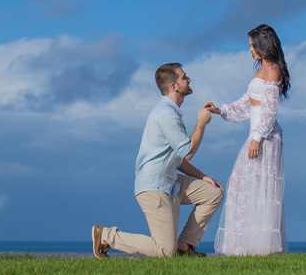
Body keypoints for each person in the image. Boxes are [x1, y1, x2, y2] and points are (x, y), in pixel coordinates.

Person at [92, 62, 224, 258]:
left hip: (171, 181)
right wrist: (201, 123)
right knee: (164, 252)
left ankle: (184, 246)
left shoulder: (171, 112)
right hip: (155, 186)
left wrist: (202, 176)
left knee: (212, 193)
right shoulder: (167, 115)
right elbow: (187, 152)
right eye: (184, 77)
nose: (189, 79)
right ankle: (106, 235)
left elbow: (178, 158)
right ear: (173, 86)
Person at [203, 23, 290, 256]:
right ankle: (243, 246)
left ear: (264, 45)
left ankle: (262, 247)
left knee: (261, 189)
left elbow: (269, 111)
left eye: (252, 46)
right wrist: (220, 110)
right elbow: (246, 104)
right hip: (257, 136)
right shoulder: (261, 70)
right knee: (242, 186)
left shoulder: (272, 70)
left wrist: (258, 138)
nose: (250, 50)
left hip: (266, 138)